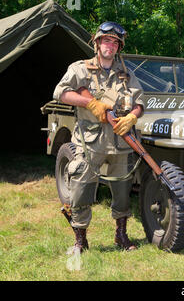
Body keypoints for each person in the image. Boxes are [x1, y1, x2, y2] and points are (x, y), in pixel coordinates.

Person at [53, 21, 144, 252]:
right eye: (106, 40)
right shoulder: (80, 69)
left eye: (115, 42)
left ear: (118, 47)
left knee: (123, 191)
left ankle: (121, 235)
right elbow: (60, 92)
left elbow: (140, 102)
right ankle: (80, 240)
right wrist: (89, 102)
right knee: (81, 189)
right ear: (97, 43)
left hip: (119, 142)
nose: (110, 46)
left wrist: (132, 117)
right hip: (88, 141)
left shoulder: (126, 74)